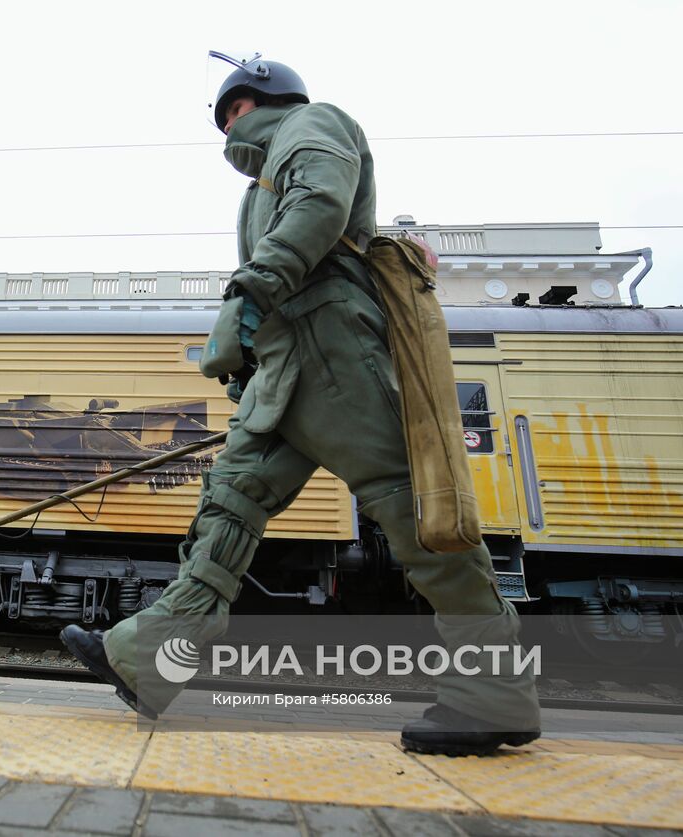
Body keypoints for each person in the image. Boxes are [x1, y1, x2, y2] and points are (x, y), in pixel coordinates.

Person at [61, 57, 541, 756]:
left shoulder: (315, 124)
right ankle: (151, 657)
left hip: (337, 351)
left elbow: (318, 204)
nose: (231, 124)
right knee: (229, 503)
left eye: (239, 107)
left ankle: (496, 692)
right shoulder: (255, 188)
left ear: (272, 98)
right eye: (223, 117)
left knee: (416, 514)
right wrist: (249, 362)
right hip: (289, 364)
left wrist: (250, 292)